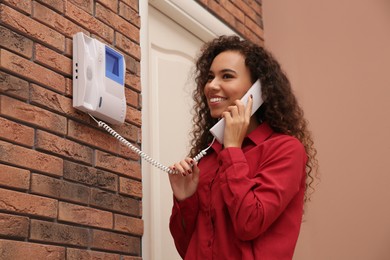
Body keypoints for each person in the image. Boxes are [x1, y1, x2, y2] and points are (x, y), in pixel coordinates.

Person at [168, 35, 318, 260]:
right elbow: (186, 248)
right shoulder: (207, 158)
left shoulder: (286, 149)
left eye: (226, 76)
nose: (211, 86)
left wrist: (232, 150)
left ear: (258, 91)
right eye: (209, 77)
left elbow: (250, 222)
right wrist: (184, 200)